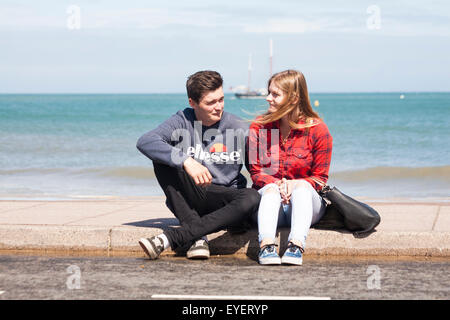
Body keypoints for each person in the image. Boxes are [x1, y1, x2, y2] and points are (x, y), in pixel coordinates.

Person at [136, 70, 260, 260]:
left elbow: (259, 173)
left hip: (225, 202)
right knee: (163, 160)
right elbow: (146, 141)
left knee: (252, 197)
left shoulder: (239, 127)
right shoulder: (182, 120)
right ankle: (199, 236)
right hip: (193, 197)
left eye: (221, 99)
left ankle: (179, 237)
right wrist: (186, 161)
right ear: (192, 103)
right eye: (211, 102)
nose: (218, 107)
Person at [248, 70, 333, 265]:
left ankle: (296, 246)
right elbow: (256, 173)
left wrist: (294, 185)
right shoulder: (259, 127)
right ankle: (266, 246)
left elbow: (320, 179)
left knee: (303, 189)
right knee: (269, 189)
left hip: (307, 207)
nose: (268, 98)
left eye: (275, 94)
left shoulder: (318, 130)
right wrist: (279, 185)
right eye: (269, 92)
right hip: (271, 204)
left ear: (294, 98)